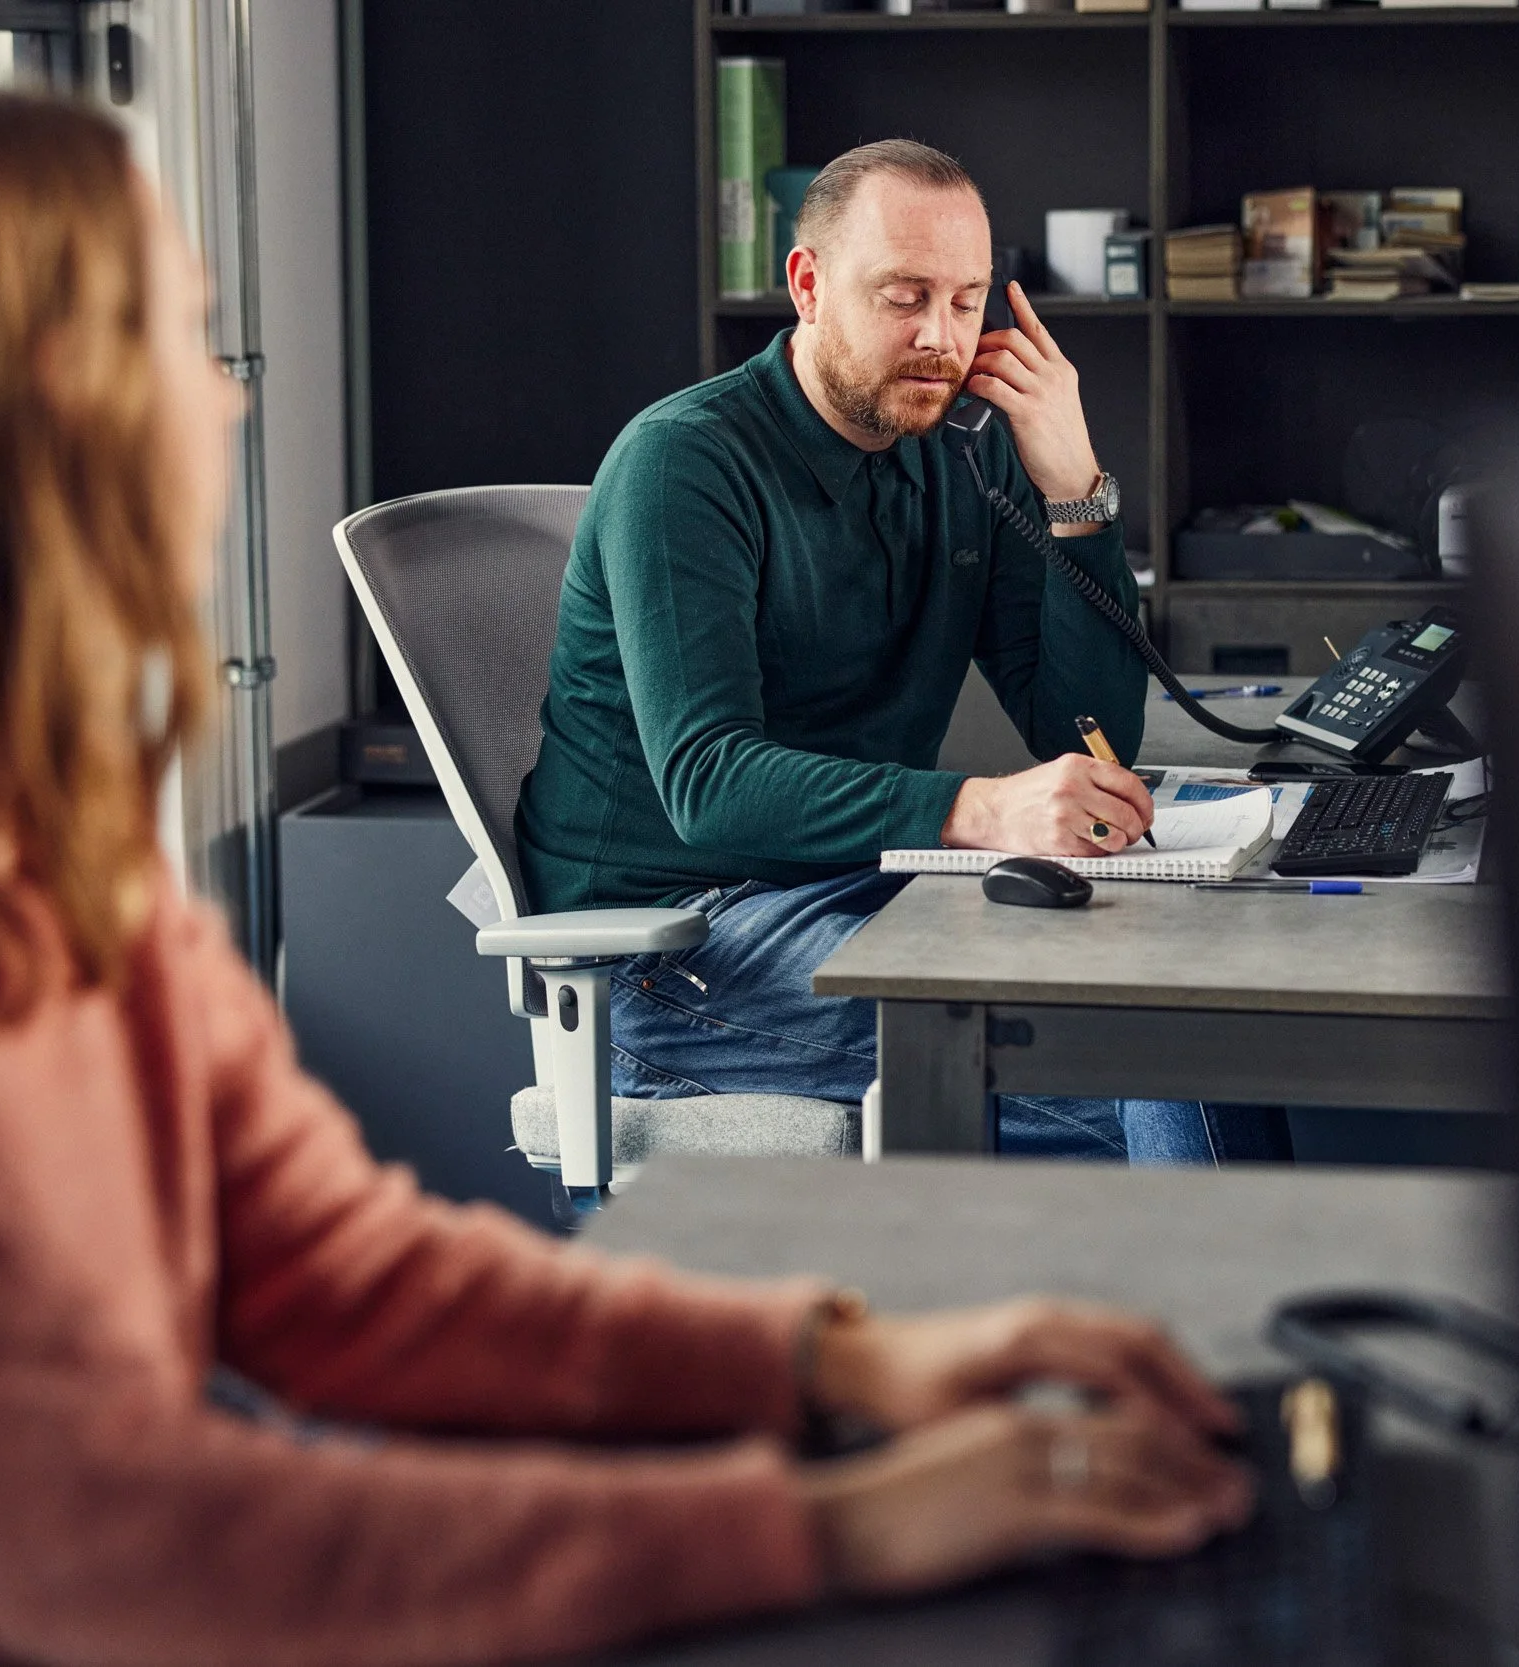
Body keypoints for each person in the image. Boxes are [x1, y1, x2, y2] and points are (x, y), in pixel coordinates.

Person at [0, 92, 1251, 1665]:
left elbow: (344, 1276)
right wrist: (834, 1522)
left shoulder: (30, 819)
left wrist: (848, 1363)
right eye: (170, 340)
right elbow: (113, 1529)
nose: (222, 404)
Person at [519, 140, 1238, 1162]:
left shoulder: (957, 453)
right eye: (904, 296)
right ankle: (1213, 1299)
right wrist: (982, 808)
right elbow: (709, 783)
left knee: (1181, 997)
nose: (941, 339)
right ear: (808, 286)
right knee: (1139, 1056)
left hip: (854, 882)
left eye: (966, 300)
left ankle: (1225, 1298)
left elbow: (1088, 733)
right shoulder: (684, 462)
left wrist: (1077, 495)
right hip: (670, 944)